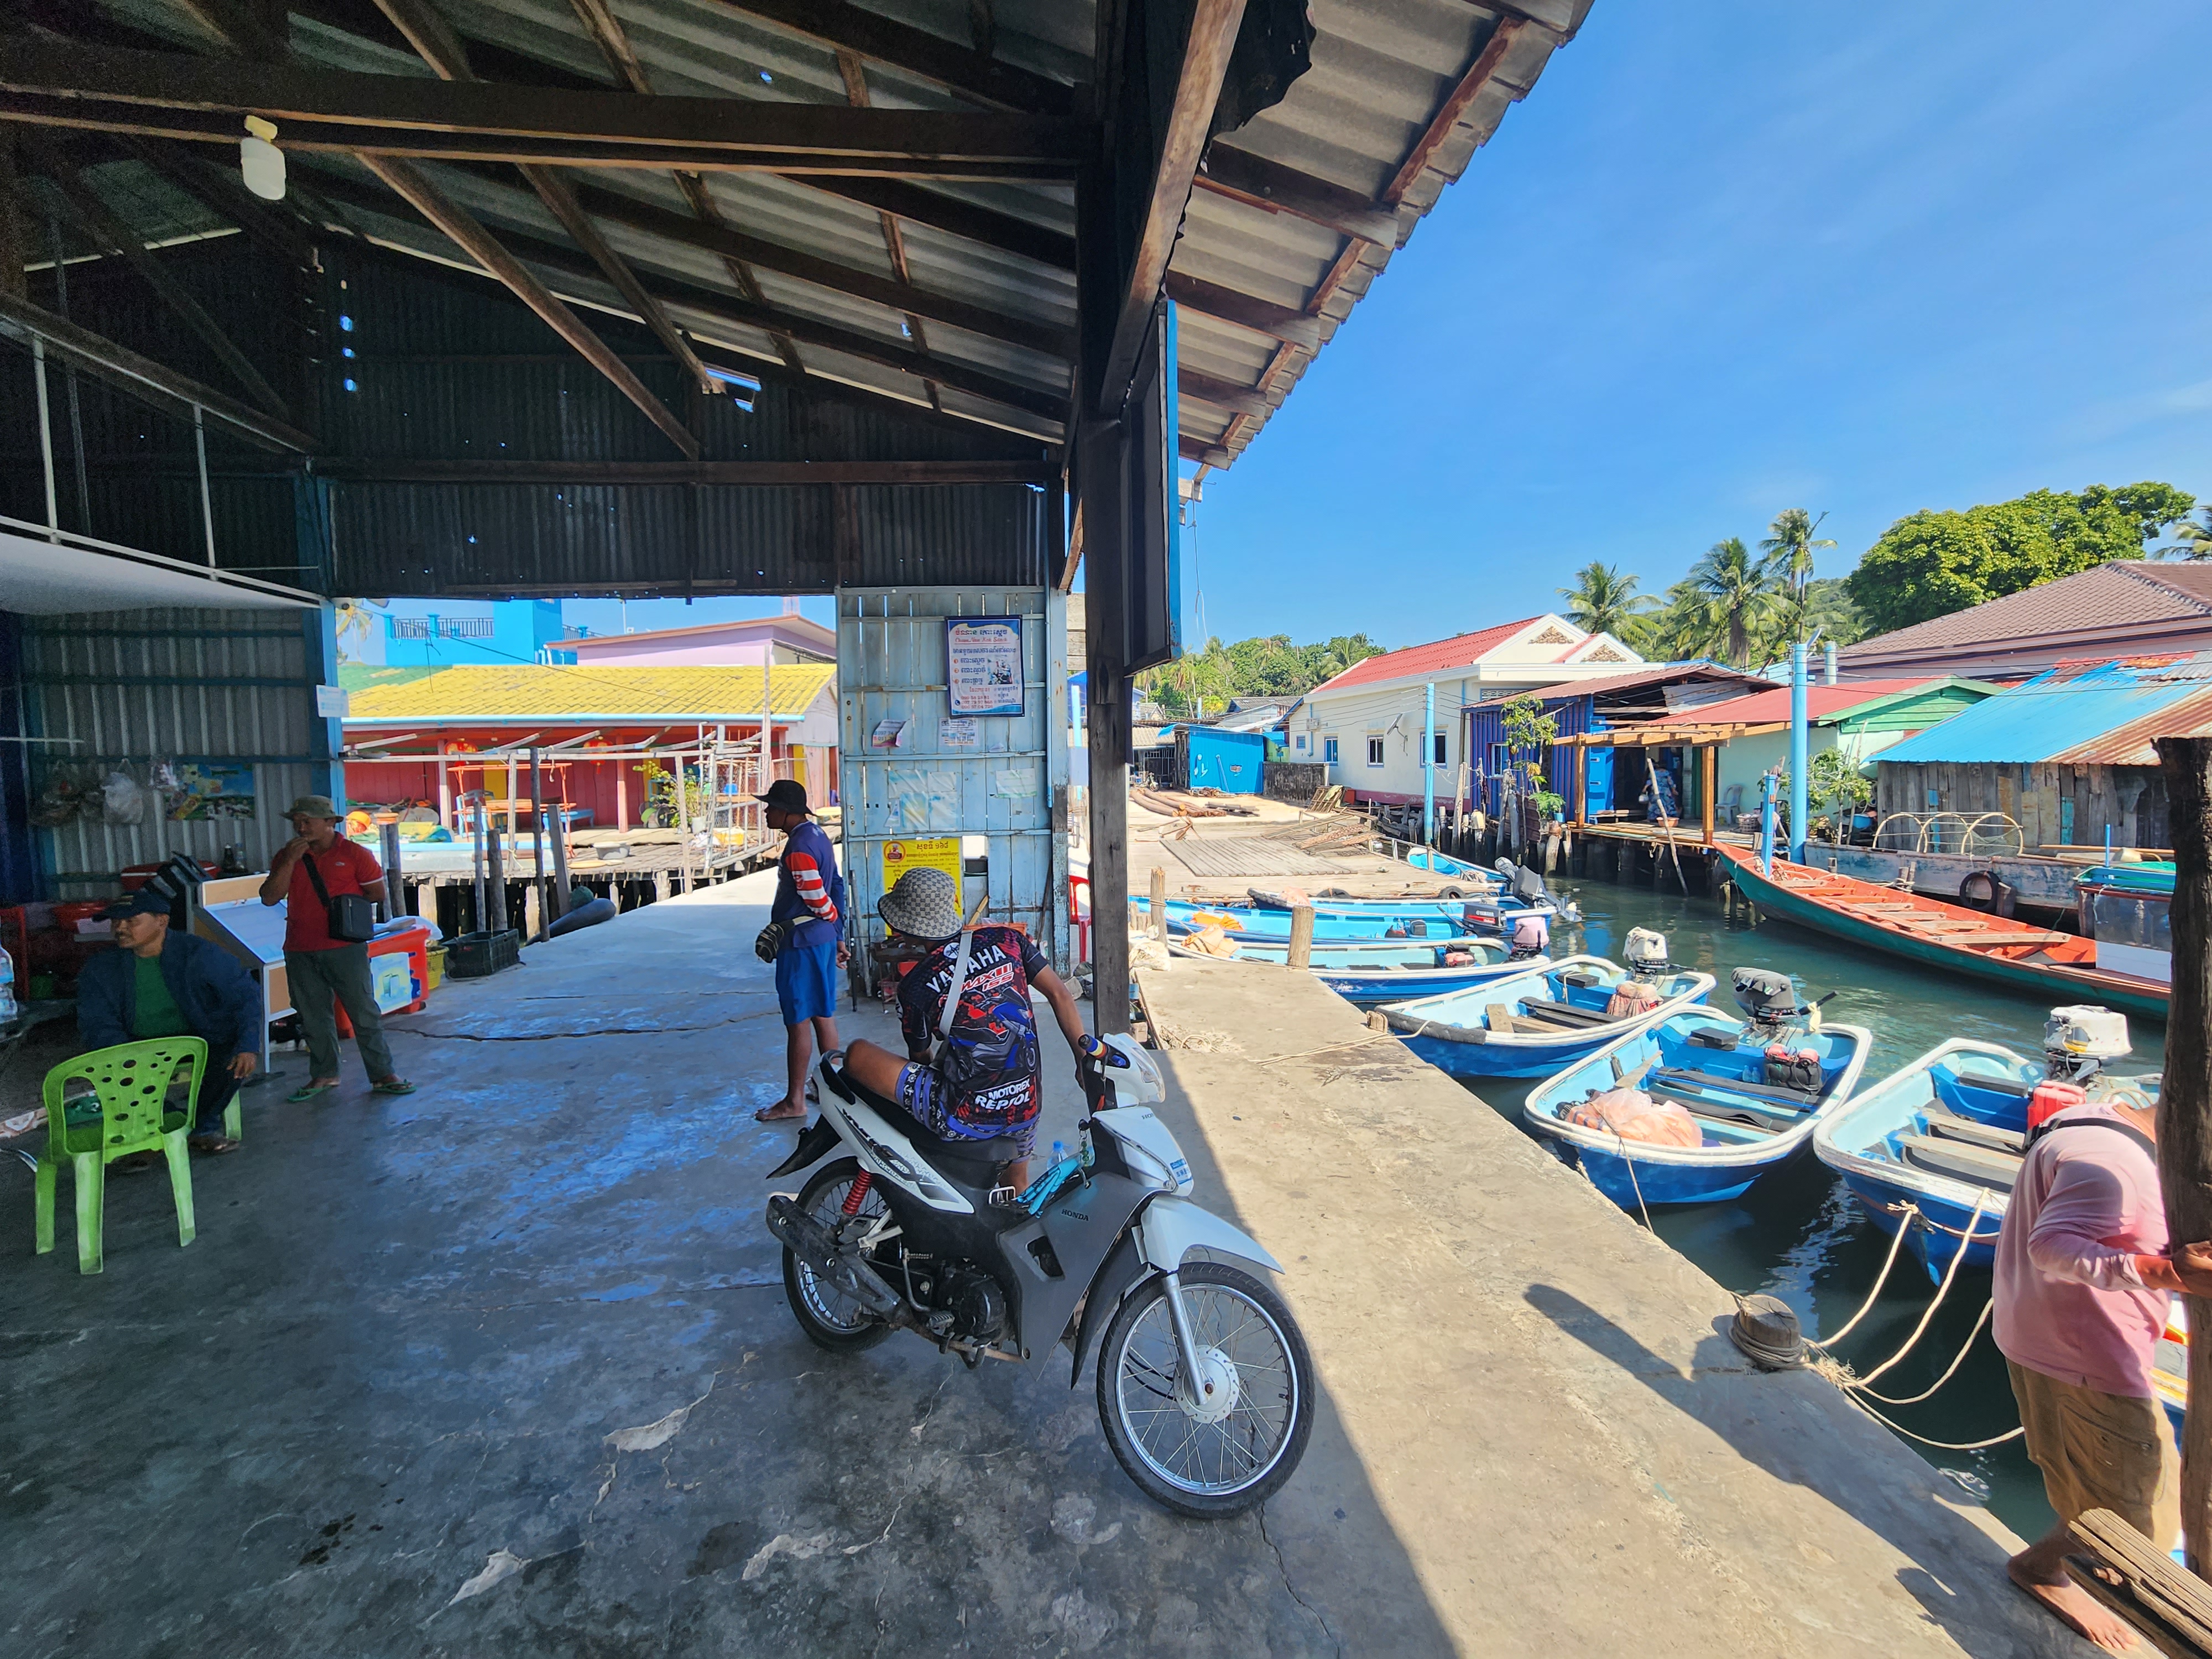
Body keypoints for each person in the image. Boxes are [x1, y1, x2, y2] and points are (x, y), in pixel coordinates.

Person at [1994, 1091, 2212, 1652]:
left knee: (2118, 1493)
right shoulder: (2117, 1166)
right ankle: (2043, 1571)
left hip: (2043, 1334)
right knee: (2140, 1522)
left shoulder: (2098, 1120)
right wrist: (2166, 1272)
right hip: (2086, 1360)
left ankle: (2051, 1565)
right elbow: (2051, 1246)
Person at [841, 866, 1100, 1192]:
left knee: (857, 1054)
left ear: (906, 929)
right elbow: (1060, 993)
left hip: (965, 1114)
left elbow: (920, 1057)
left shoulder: (916, 986)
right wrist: (1082, 1060)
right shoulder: (1007, 940)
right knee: (1016, 1186)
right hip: (1026, 1106)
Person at [76, 888, 262, 1156]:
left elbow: (245, 996)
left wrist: (248, 1046)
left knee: (234, 1057)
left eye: (131, 921)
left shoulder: (199, 954)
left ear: (161, 921)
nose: (121, 928)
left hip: (200, 1040)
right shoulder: (100, 968)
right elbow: (96, 1022)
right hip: (137, 1045)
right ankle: (160, 1126)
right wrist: (121, 1053)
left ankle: (203, 1127)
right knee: (109, 1065)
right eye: (116, 921)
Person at [258, 795, 415, 1102]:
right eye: (297, 822)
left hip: (345, 946)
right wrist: (289, 861)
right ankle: (325, 1074)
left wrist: (342, 909)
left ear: (330, 822)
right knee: (312, 1014)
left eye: (308, 821)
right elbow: (269, 897)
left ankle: (383, 1074)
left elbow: (376, 894)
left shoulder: (355, 854)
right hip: (300, 947)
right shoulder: (287, 856)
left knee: (363, 1011)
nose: (301, 827)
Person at [755, 779, 848, 1123]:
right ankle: (834, 1088)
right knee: (823, 1015)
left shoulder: (798, 846)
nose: (767, 812)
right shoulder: (818, 835)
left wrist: (830, 920)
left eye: (771, 807)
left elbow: (817, 898)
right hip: (820, 940)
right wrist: (837, 933)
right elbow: (835, 884)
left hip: (801, 943)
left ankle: (795, 1101)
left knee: (798, 1022)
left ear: (786, 812)